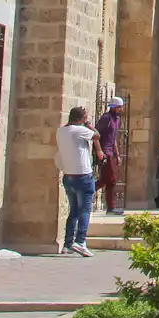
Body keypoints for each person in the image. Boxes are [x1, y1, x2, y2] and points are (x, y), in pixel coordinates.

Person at [57, 105, 99, 256]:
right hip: (83, 175)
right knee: (85, 210)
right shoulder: (80, 130)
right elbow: (97, 135)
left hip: (68, 175)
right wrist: (88, 124)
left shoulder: (61, 131)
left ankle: (67, 244)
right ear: (81, 118)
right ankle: (80, 241)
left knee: (73, 210)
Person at [94, 96, 125, 214]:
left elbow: (113, 139)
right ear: (115, 107)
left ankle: (87, 191)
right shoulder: (106, 118)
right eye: (120, 107)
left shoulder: (117, 120)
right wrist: (99, 151)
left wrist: (117, 155)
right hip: (105, 152)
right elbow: (96, 135)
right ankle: (111, 207)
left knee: (105, 180)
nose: (121, 109)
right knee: (111, 179)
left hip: (111, 152)